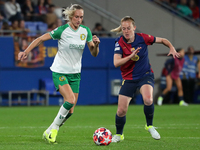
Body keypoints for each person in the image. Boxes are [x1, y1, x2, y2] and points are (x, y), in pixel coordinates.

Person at [18, 4, 100, 144]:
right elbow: (40, 39)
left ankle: (49, 130)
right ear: (70, 17)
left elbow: (94, 53)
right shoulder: (62, 30)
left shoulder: (86, 31)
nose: (79, 20)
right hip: (60, 71)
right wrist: (26, 51)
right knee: (70, 100)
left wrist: (96, 45)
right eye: (76, 17)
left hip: (75, 74)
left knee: (71, 111)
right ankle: (54, 129)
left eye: (81, 17)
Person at [110, 16, 180, 142]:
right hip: (129, 78)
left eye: (129, 28)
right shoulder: (119, 42)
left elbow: (163, 40)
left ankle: (149, 126)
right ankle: (119, 135)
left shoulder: (143, 38)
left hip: (145, 75)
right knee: (121, 111)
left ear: (134, 28)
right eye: (124, 28)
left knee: (148, 99)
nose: (126, 31)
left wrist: (171, 48)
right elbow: (116, 62)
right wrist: (130, 57)